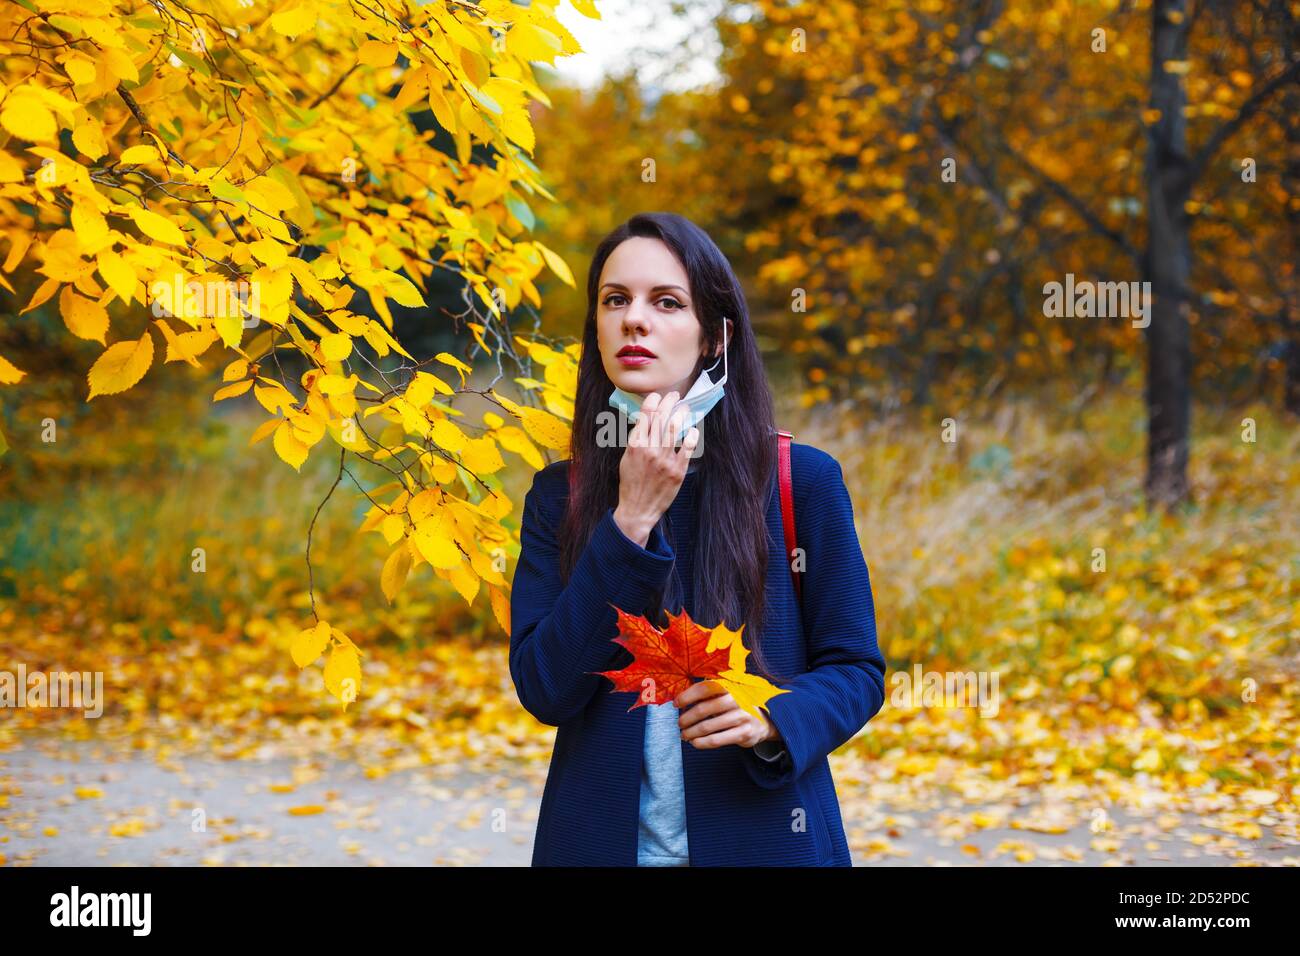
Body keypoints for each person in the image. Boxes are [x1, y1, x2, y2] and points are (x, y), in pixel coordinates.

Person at [509, 211, 886, 866]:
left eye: (667, 302)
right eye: (614, 300)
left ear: (716, 337)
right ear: (597, 328)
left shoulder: (803, 482)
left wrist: (774, 718)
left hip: (768, 841)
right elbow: (546, 688)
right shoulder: (557, 498)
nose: (634, 320)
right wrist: (630, 521)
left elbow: (858, 670)